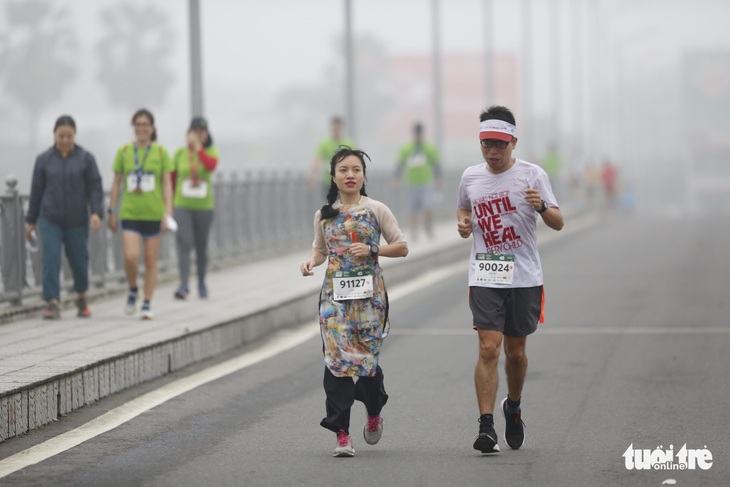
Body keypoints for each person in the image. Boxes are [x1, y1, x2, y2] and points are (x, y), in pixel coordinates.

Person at [456, 105, 564, 454]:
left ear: (513, 142)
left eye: (500, 144)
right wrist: (463, 223)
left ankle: (512, 408)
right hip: (486, 272)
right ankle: (486, 426)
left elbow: (559, 222)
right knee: (489, 348)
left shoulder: (533, 175)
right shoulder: (470, 176)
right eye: (487, 143)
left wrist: (541, 207)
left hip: (524, 276)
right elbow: (463, 208)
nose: (493, 151)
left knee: (515, 354)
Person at [300, 147, 408, 457]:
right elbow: (321, 251)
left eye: (356, 170)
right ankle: (342, 434)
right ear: (333, 176)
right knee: (336, 362)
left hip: (370, 301)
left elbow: (401, 247)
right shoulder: (325, 214)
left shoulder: (376, 209)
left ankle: (374, 411)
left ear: (363, 176)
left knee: (366, 361)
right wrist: (310, 262)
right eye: (343, 170)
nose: (350, 175)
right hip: (335, 301)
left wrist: (372, 250)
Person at [25, 115, 104, 319]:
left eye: (69, 136)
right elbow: (36, 191)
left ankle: (81, 297)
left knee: (79, 260)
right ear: (54, 135)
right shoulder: (44, 160)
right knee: (50, 258)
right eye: (61, 136)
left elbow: (95, 187)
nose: (65, 140)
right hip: (50, 218)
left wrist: (96, 212)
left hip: (77, 220)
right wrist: (31, 221)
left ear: (74, 135)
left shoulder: (86, 159)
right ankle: (52, 302)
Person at [107, 108, 173, 320]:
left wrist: (168, 213)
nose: (142, 128)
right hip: (130, 212)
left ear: (152, 128)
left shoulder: (161, 153)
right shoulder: (125, 151)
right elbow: (116, 182)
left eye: (146, 125)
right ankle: (133, 288)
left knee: (151, 260)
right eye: (138, 124)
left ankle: (147, 303)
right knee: (131, 256)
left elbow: (167, 185)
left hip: (154, 213)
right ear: (133, 127)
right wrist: (112, 210)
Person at [171, 117, 219, 300]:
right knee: (185, 241)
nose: (198, 135)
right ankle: (183, 284)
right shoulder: (180, 154)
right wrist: (169, 205)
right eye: (195, 131)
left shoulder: (210, 151)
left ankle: (201, 282)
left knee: (201, 245)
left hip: (204, 207)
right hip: (182, 205)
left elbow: (211, 165)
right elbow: (172, 178)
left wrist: (199, 149)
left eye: (202, 132)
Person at [395, 122, 442, 240]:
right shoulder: (407, 148)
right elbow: (400, 164)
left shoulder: (428, 147)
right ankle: (414, 231)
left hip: (426, 182)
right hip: (411, 182)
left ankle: (428, 224)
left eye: (420, 134)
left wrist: (438, 179)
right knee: (412, 208)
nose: (418, 137)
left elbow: (436, 164)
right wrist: (397, 179)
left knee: (428, 205)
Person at [309, 116, 356, 197]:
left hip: (345, 181)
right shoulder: (325, 144)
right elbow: (318, 160)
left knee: (345, 204)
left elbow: (355, 161)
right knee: (331, 205)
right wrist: (313, 176)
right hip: (329, 181)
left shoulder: (348, 143)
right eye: (334, 127)